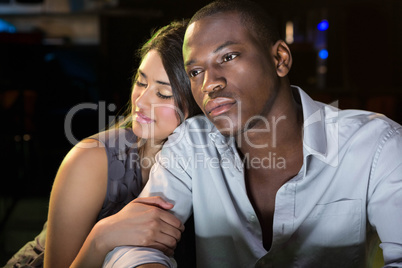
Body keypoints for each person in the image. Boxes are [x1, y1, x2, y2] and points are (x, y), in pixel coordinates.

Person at [103, 0, 402, 267]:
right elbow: (134, 244)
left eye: (228, 57)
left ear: (280, 59)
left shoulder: (376, 144)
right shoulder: (191, 143)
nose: (210, 84)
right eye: (195, 72)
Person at [4, 20, 200, 268]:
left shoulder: (208, 162)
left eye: (163, 94)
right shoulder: (90, 160)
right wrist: (101, 237)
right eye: (141, 82)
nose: (142, 100)